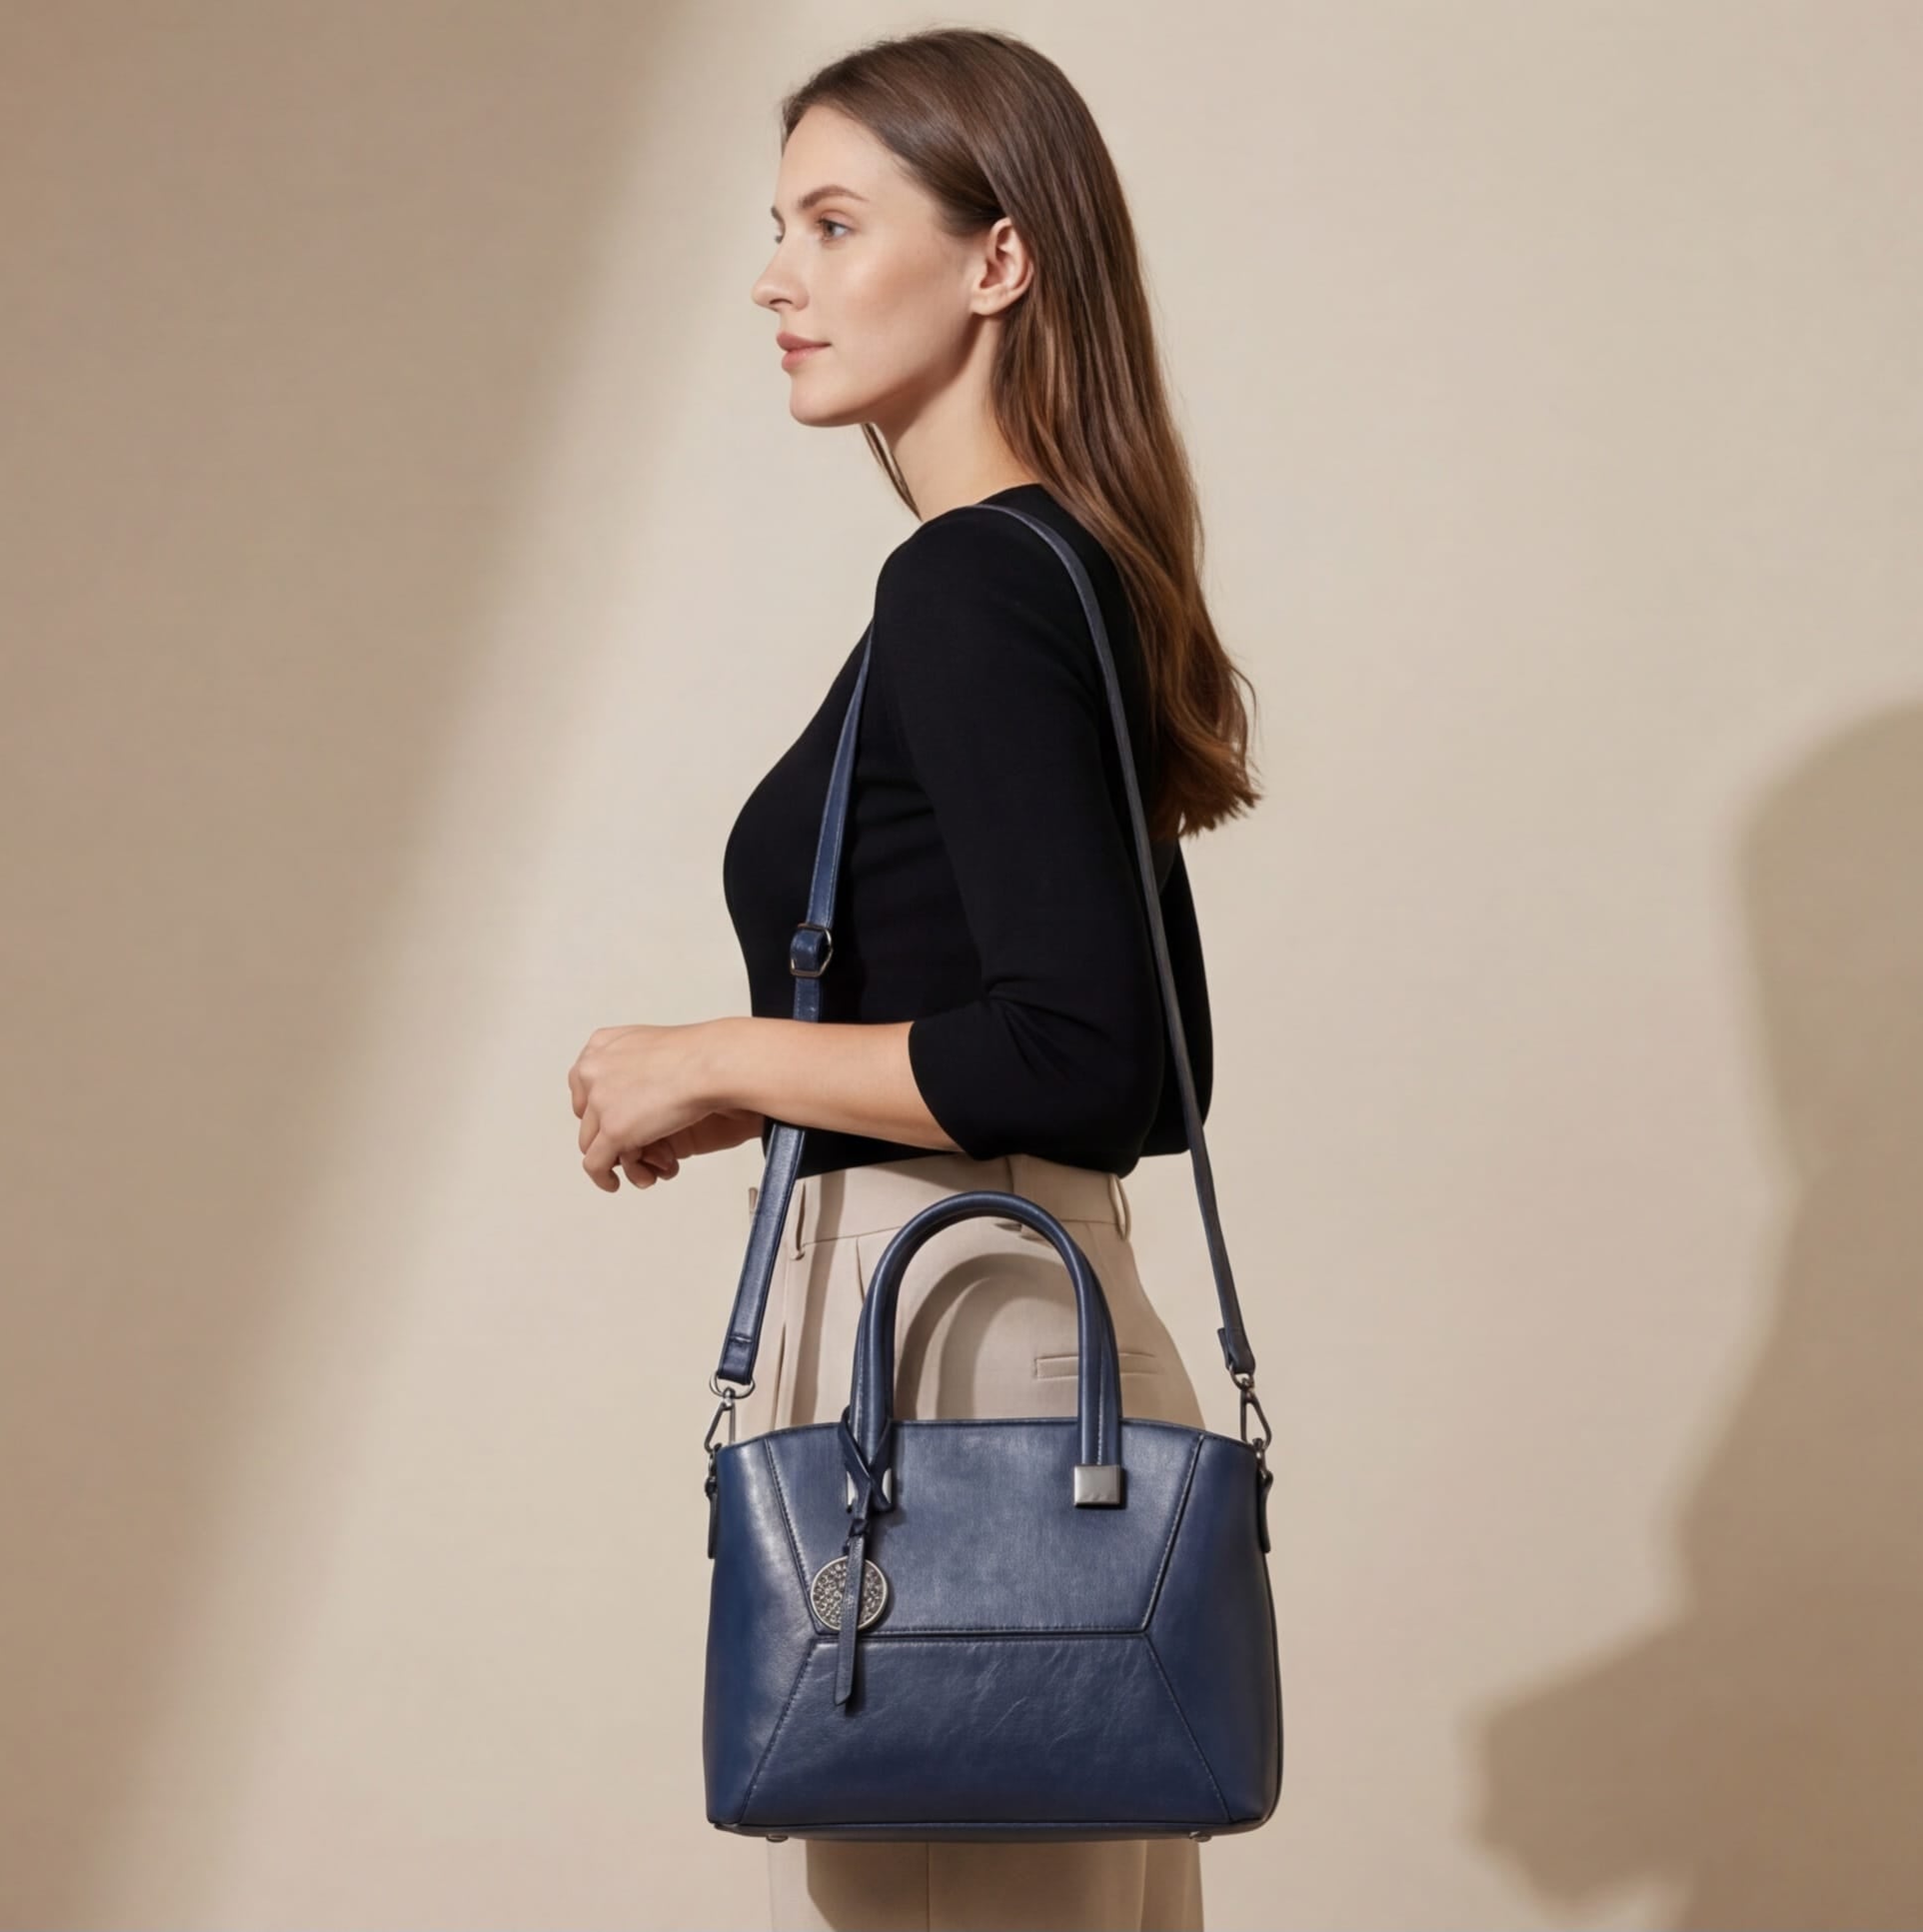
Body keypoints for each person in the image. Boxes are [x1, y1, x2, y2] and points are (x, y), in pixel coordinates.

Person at [568, 25, 1263, 1932]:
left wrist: (722, 1044)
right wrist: (773, 1082)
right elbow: (1144, 1061)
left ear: (997, 261)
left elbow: (1082, 1046)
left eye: (833, 218)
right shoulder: (1066, 569)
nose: (778, 275)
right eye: (775, 225)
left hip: (944, 1366)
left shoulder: (967, 580)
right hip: (1050, 1342)